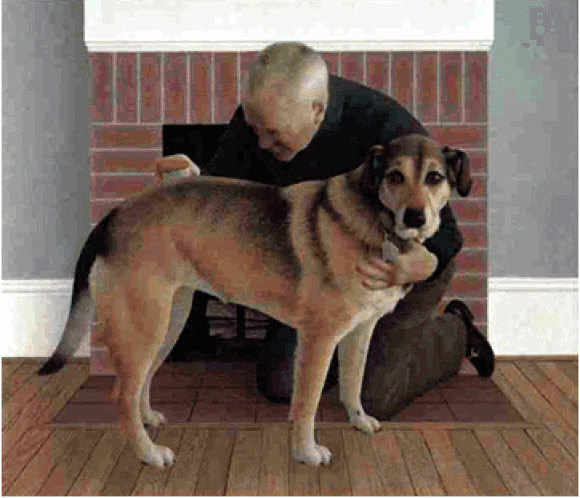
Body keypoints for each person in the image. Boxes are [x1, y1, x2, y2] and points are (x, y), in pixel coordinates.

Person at [159, 42, 494, 418]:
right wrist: (192, 186)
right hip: (328, 279)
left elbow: (448, 233)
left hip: (410, 265)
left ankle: (456, 332)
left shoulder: (387, 130)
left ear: (316, 112)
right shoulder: (258, 120)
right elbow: (223, 191)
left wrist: (420, 266)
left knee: (378, 397)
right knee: (281, 383)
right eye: (254, 129)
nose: (261, 143)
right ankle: (346, 350)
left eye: (273, 132)